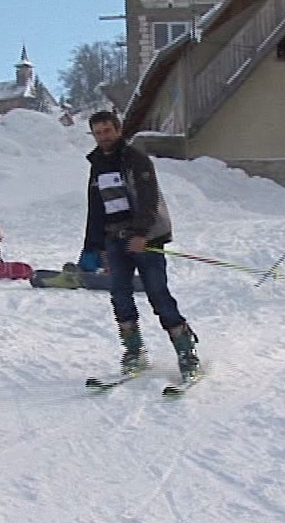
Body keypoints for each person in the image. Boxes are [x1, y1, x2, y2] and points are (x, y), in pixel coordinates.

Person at [83, 110, 199, 377]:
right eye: (98, 133)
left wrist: (140, 234)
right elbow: (96, 206)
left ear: (118, 130)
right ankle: (134, 352)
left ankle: (186, 350)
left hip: (144, 238)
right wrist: (92, 245)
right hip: (113, 240)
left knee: (157, 293)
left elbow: (148, 199)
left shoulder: (136, 159)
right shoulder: (97, 163)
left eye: (107, 131)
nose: (103, 137)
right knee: (120, 296)